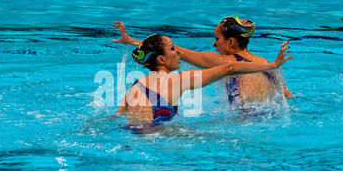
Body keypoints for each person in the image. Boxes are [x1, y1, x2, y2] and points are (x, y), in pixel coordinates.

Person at [114, 33, 292, 131]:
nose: (179, 53)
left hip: (131, 134)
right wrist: (273, 65)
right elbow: (230, 68)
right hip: (158, 140)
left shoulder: (135, 85)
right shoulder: (177, 79)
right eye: (173, 49)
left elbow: (117, 116)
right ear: (161, 60)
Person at [112, 17, 293, 108]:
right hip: (269, 118)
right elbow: (287, 95)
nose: (214, 44)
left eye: (217, 39)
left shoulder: (225, 60)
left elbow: (176, 52)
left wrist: (133, 41)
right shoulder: (264, 63)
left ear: (230, 42)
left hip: (244, 121)